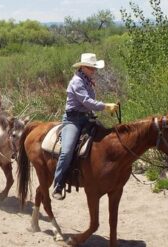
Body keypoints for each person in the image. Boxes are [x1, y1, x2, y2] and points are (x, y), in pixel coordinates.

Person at [52, 53, 118, 200]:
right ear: (82, 67)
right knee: (67, 151)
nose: (93, 70)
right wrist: (105, 106)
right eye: (90, 67)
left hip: (87, 118)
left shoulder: (88, 81)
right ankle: (58, 184)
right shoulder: (77, 81)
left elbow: (89, 104)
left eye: (94, 67)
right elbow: (86, 101)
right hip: (73, 120)